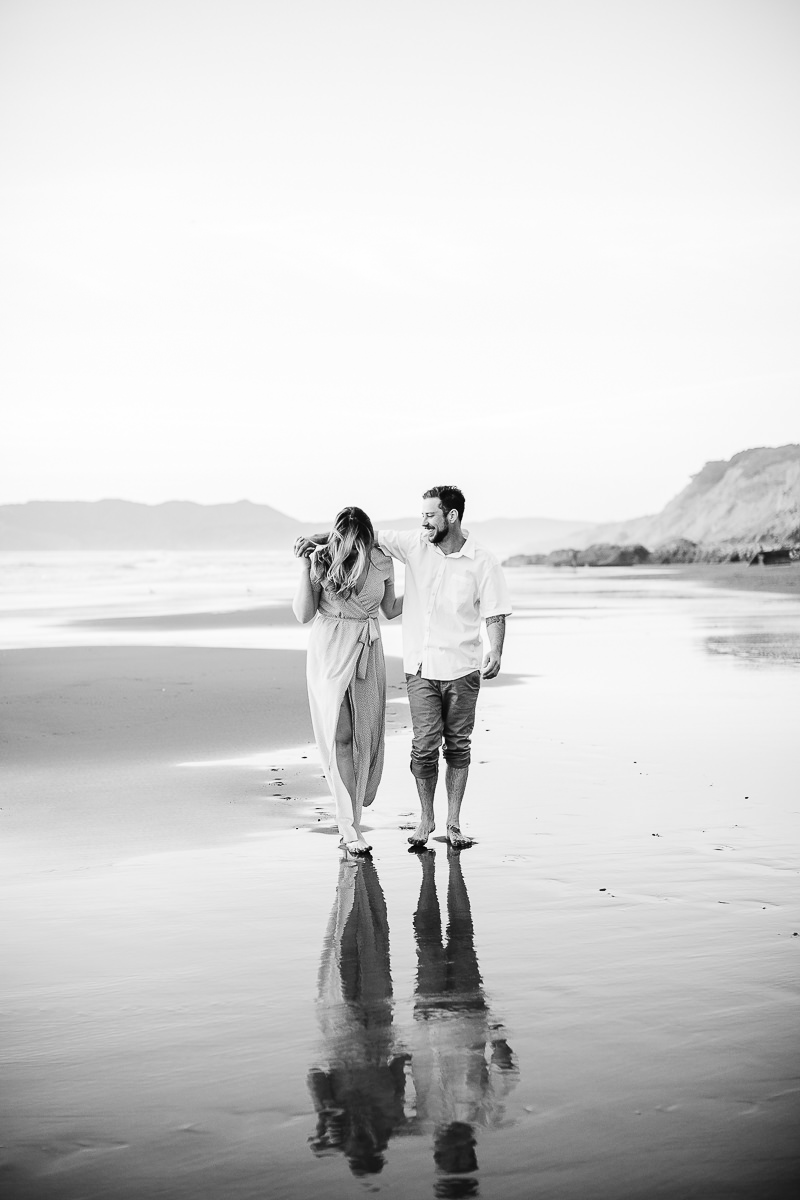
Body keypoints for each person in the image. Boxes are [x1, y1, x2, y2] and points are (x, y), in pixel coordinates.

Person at [296, 485, 511, 848]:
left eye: (429, 515)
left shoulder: (477, 560)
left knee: (440, 744)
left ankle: (449, 822)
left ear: (451, 516)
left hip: (440, 662)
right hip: (382, 661)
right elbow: (361, 537)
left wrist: (495, 649)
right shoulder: (407, 544)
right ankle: (393, 823)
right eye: (423, 515)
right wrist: (315, 545)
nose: (423, 521)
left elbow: (491, 611)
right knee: (392, 744)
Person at [293, 506, 402, 855]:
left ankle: (353, 817)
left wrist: (428, 589)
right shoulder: (324, 559)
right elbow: (303, 614)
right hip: (329, 651)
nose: (351, 548)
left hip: (368, 649)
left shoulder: (383, 560)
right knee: (341, 737)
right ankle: (349, 828)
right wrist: (305, 566)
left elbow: (390, 609)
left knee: (364, 737)